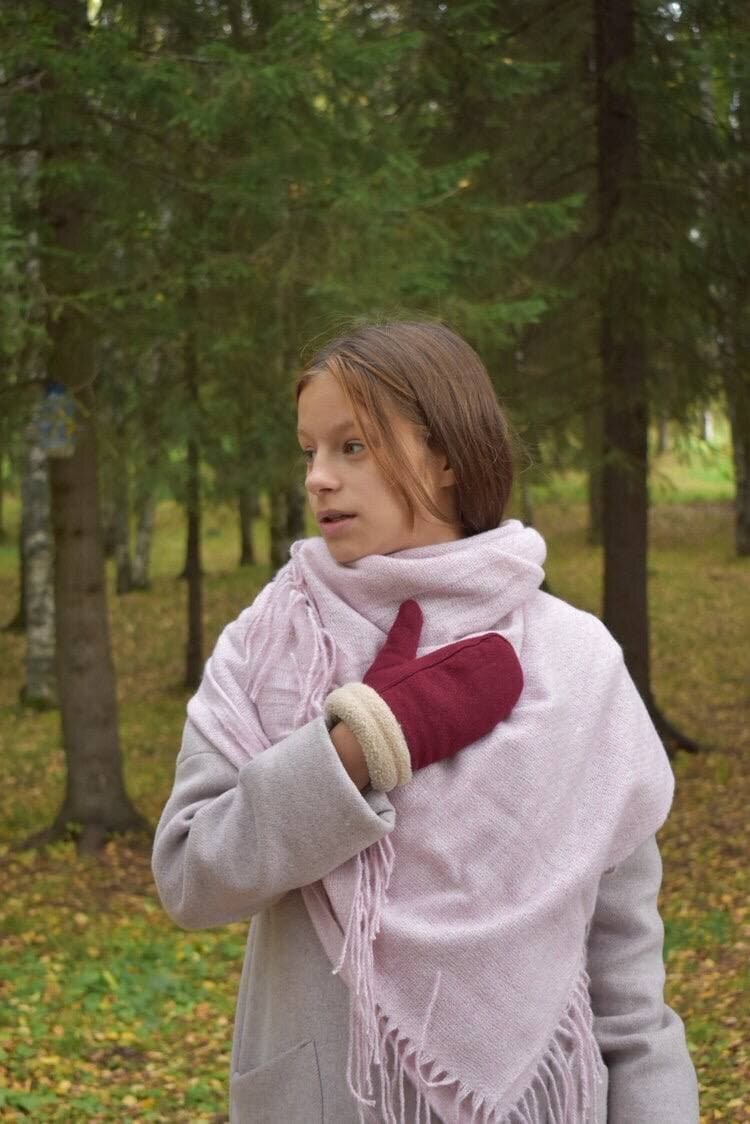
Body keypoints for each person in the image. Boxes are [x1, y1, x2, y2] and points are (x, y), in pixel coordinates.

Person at [151, 321, 700, 1123]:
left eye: (353, 447)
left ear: (447, 457)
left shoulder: (575, 660)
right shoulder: (270, 646)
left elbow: (629, 981)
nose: (318, 478)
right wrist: (359, 745)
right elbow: (190, 877)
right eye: (309, 451)